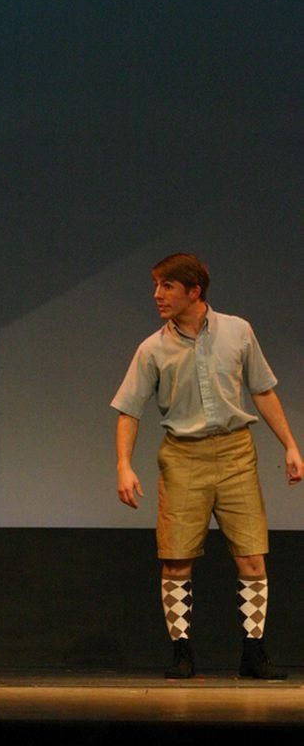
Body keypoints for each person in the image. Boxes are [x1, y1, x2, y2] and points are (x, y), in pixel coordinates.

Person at [112, 253, 302, 679]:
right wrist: (124, 464)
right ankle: (181, 653)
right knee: (176, 559)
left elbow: (263, 391)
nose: (157, 295)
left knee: (252, 556)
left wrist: (290, 445)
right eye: (156, 286)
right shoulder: (152, 348)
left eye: (167, 286)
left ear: (194, 291)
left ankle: (254, 653)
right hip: (183, 457)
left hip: (236, 453)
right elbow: (128, 410)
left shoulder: (238, 332)